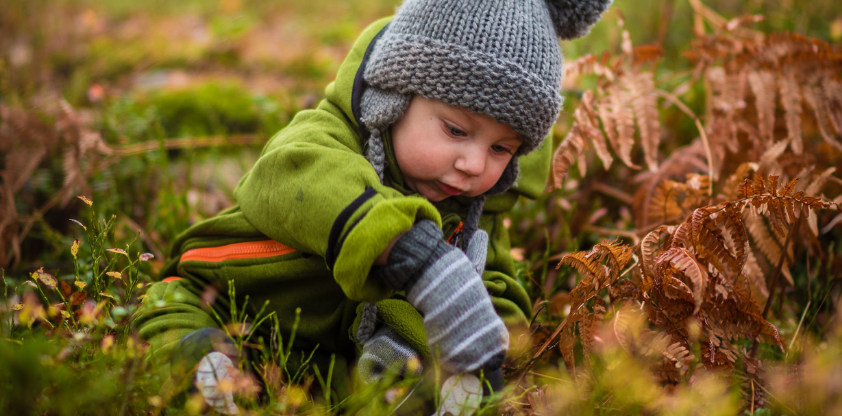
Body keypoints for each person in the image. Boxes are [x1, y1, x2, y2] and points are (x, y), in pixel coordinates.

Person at [132, 0, 611, 413]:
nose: (473, 164)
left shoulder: (474, 209)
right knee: (174, 315)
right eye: (456, 131)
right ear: (393, 99)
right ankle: (202, 367)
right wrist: (413, 255)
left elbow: (496, 286)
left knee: (410, 378)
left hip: (333, 365)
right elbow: (290, 176)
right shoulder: (326, 138)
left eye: (501, 149)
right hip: (228, 298)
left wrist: (478, 353)